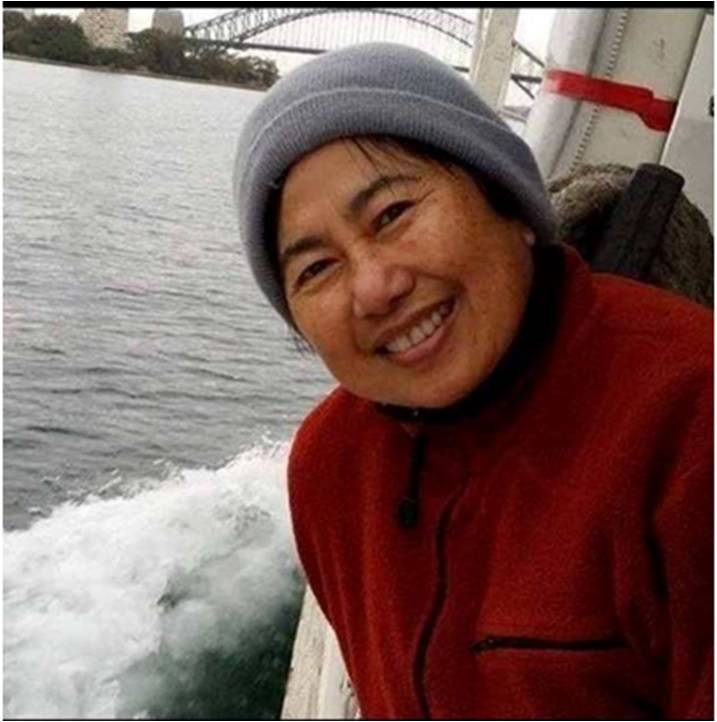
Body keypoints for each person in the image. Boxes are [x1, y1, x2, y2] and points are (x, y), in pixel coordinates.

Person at [234, 43, 713, 720]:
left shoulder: (690, 418)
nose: (374, 287)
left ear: (507, 202)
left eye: (393, 214)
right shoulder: (333, 465)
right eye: (315, 269)